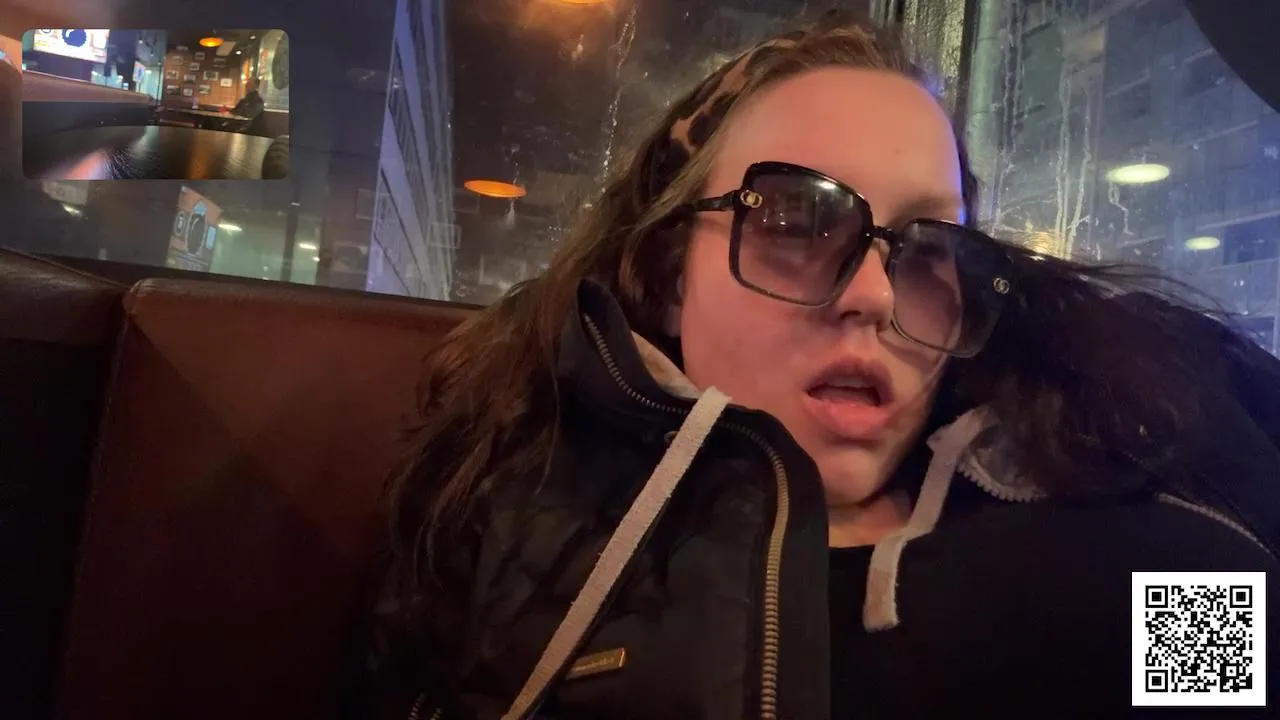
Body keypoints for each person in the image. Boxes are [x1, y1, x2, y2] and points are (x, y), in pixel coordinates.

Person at [346, 12, 1280, 719]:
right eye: (795, 220)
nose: (873, 294)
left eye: (925, 247)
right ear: (666, 276)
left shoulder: (1121, 492)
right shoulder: (524, 532)